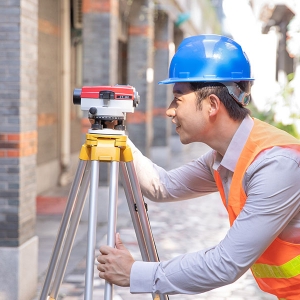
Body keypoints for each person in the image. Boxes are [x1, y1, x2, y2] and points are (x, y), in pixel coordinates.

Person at [97, 34, 300, 299]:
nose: (170, 111)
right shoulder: (224, 156)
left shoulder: (277, 165)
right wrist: (116, 135)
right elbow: (164, 186)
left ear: (212, 105)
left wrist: (135, 273)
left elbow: (226, 264)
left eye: (178, 99)